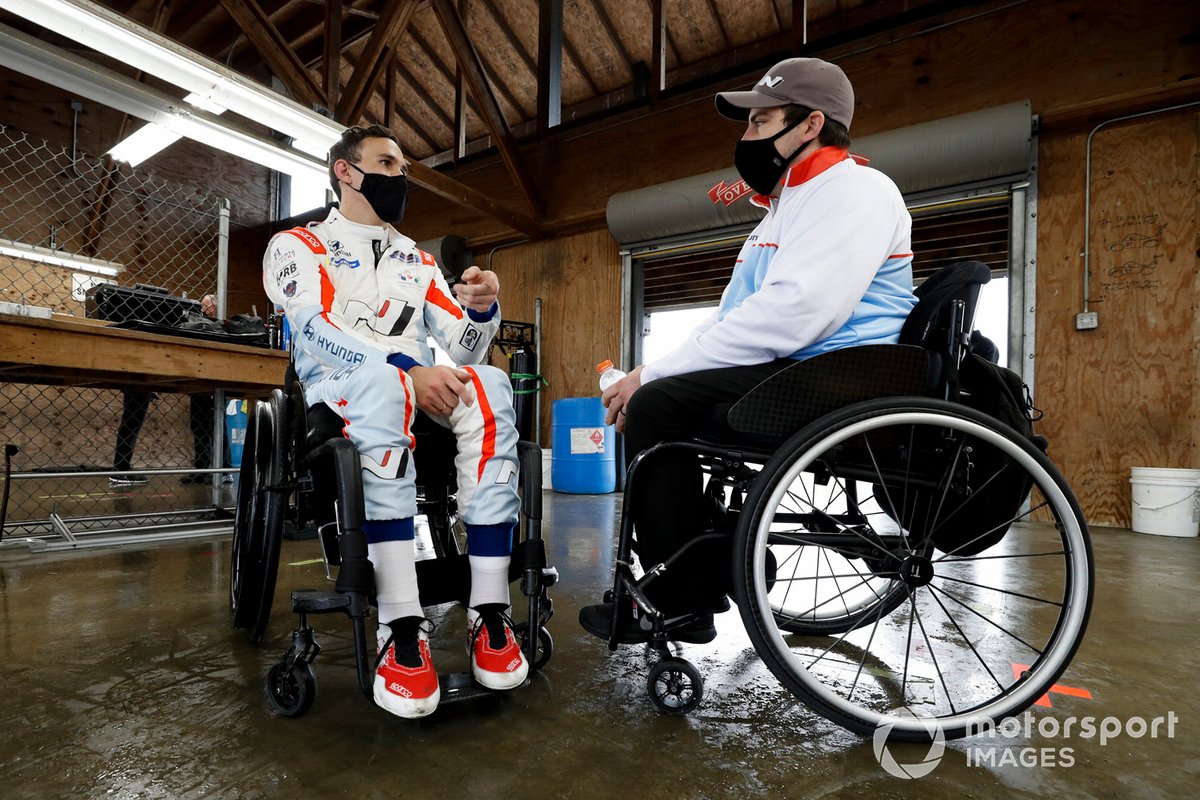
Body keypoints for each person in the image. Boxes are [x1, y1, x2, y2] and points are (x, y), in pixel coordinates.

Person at [579, 57, 918, 644]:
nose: (746, 137)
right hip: (803, 368)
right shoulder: (785, 208)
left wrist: (652, 378)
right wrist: (651, 371)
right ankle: (707, 554)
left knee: (660, 406)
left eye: (761, 122)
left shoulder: (855, 190)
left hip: (842, 375)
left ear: (810, 125)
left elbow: (797, 313)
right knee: (661, 396)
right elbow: (735, 319)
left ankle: (683, 597)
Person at [262, 124, 527, 720]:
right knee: (385, 383)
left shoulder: (416, 257)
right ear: (345, 172)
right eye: (387, 163)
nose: (400, 175)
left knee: (491, 385)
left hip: (416, 389)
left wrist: (483, 310)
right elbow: (311, 331)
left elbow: (464, 352)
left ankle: (490, 612)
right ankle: (400, 627)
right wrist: (407, 368)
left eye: (404, 166)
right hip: (338, 391)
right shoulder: (297, 244)